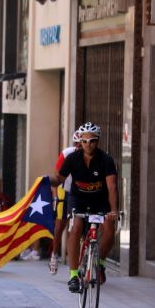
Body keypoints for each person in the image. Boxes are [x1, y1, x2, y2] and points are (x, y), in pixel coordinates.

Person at [51, 122, 118, 293]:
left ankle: (100, 264)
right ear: (80, 141)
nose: (89, 144)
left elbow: (112, 187)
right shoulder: (72, 158)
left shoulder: (106, 160)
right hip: (78, 199)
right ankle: (74, 275)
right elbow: (59, 179)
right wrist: (45, 181)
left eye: (93, 141)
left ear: (98, 141)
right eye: (85, 141)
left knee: (110, 228)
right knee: (76, 228)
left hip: (100, 200)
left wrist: (113, 211)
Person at [48, 129, 82, 274]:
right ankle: (54, 254)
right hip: (65, 190)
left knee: (77, 226)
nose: (81, 147)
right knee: (60, 224)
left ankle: (79, 258)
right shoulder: (67, 153)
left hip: (81, 192)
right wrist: (55, 196)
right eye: (78, 144)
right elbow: (57, 176)